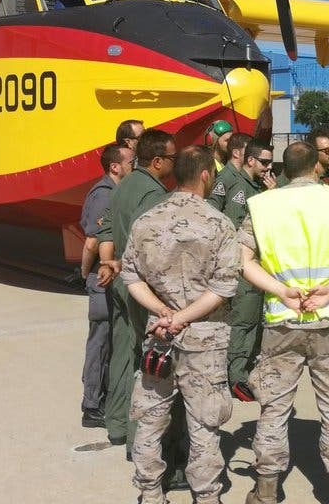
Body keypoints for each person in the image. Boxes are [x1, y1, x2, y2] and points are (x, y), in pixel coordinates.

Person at [239, 141, 329, 504]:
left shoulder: (261, 206)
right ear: (315, 166)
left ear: (284, 170)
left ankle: (266, 490)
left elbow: (243, 260)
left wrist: (280, 289)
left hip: (282, 320)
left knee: (273, 408)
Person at [122, 146, 240, 504]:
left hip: (159, 338)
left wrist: (163, 313)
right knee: (204, 424)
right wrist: (184, 318)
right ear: (205, 175)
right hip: (204, 339)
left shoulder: (148, 221)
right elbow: (224, 286)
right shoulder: (219, 223)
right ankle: (206, 496)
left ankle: (149, 492)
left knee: (150, 421)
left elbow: (130, 275)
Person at [101, 130, 177, 450]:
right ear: (158, 161)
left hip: (121, 279)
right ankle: (139, 440)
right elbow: (151, 247)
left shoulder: (123, 186)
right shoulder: (151, 192)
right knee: (146, 365)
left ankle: (116, 424)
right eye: (173, 158)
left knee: (122, 352)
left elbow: (108, 229)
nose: (176, 163)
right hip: (140, 284)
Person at [79, 142, 134, 430]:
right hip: (103, 280)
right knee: (99, 344)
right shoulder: (104, 196)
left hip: (111, 278)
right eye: (129, 161)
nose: (133, 165)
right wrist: (86, 275)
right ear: (115, 166)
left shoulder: (117, 193)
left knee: (110, 343)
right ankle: (91, 405)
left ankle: (104, 400)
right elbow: (92, 241)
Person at [216, 139, 276, 397]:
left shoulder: (259, 188)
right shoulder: (234, 184)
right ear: (250, 160)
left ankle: (246, 371)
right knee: (243, 322)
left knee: (256, 322)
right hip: (241, 265)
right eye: (264, 162)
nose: (268, 167)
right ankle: (236, 376)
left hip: (262, 264)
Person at [207, 132, 252, 210]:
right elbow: (213, 208)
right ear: (236, 153)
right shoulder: (225, 178)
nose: (252, 155)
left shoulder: (242, 175)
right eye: (249, 151)